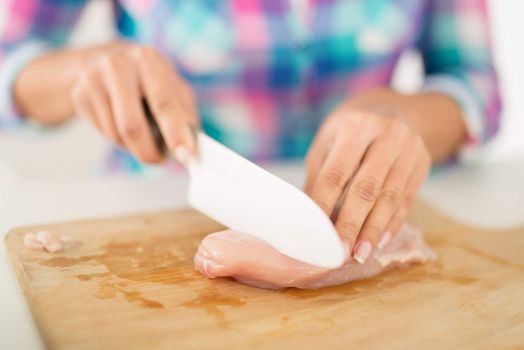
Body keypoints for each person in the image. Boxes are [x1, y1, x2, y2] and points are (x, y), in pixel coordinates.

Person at [0, 0, 501, 264]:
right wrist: (86, 70)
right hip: (146, 204)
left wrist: (407, 116)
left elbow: (476, 83)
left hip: (368, 213)